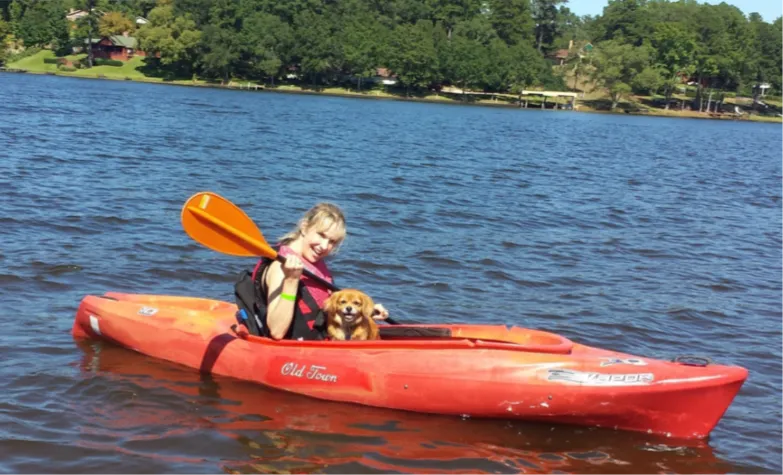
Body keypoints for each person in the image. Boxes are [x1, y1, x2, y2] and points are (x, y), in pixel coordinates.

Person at [234, 202, 388, 340]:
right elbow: (276, 331)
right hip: (297, 350)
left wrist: (366, 311)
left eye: (332, 242)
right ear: (304, 227)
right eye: (321, 235)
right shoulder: (280, 268)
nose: (324, 246)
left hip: (322, 338)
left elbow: (325, 307)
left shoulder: (312, 261)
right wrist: (291, 281)